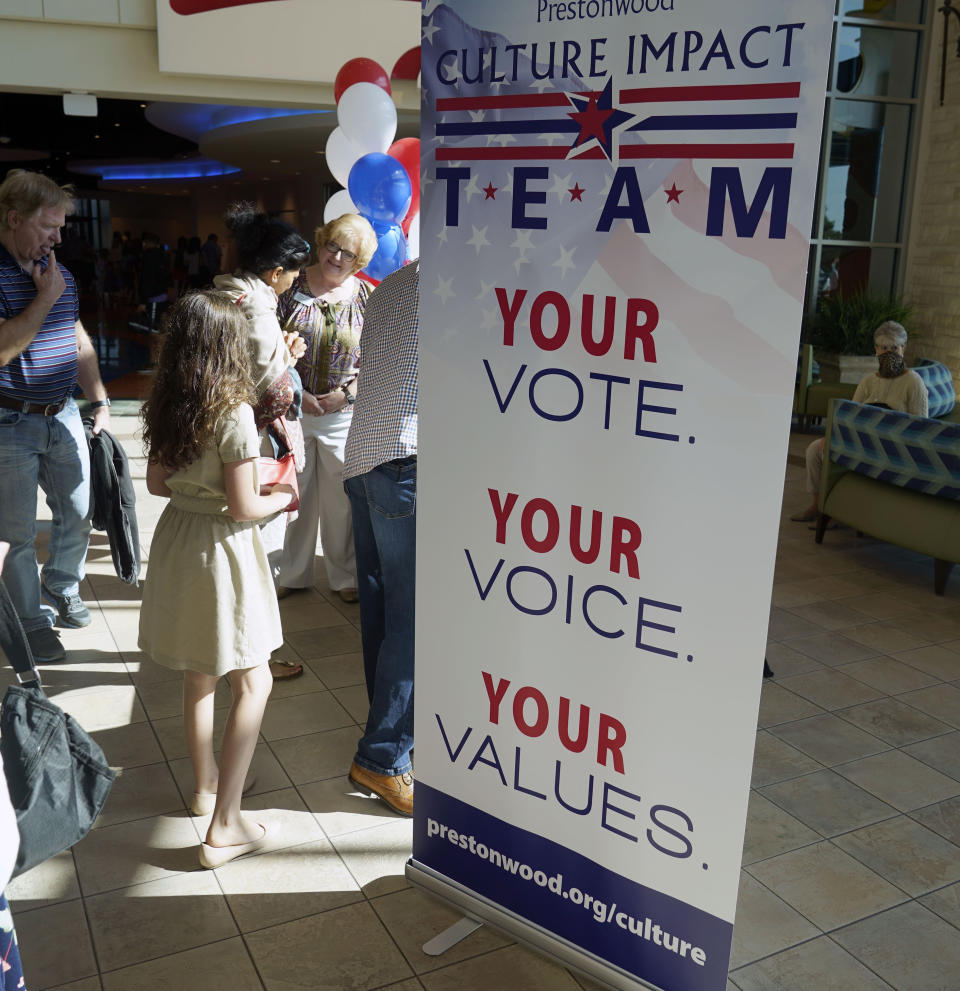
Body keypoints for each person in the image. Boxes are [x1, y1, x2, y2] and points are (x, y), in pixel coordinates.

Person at [138, 292, 296, 869]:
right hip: (221, 551)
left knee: (200, 674)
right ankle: (225, 826)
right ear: (230, 346)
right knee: (254, 682)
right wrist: (282, 495)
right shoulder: (232, 410)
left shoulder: (167, 401)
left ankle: (205, 786)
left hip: (179, 539)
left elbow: (157, 485)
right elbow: (242, 506)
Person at [0, 169, 111, 665]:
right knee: (17, 532)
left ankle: (61, 584)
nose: (58, 238)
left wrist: (99, 396)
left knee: (79, 510)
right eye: (49, 226)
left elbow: (75, 333)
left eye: (62, 227)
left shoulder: (54, 267)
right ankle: (30, 621)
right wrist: (45, 297)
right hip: (9, 421)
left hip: (62, 411)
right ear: (12, 218)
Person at [214, 202, 310, 680]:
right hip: (254, 447)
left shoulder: (218, 296)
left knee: (239, 553)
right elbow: (272, 395)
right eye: (293, 273)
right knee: (262, 557)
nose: (296, 281)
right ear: (275, 273)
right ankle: (255, 660)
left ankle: (241, 653)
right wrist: (289, 360)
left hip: (220, 441)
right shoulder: (257, 309)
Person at [343, 260, 419, 816]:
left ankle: (387, 733)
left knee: (383, 609)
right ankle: (384, 754)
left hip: (366, 450)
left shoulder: (396, 281)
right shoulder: (468, 285)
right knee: (414, 621)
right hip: (408, 460)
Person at [274, 213, 377, 604]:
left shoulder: (368, 297)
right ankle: (292, 572)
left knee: (341, 499)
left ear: (360, 261)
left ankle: (344, 575)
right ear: (320, 242)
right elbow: (266, 346)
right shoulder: (289, 284)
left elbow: (378, 357)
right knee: (293, 494)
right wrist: (298, 392)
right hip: (292, 411)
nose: (335, 256)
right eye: (331, 245)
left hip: (343, 413)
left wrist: (345, 395)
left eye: (347, 253)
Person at [792, 320, 928, 522]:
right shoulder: (868, 381)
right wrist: (831, 437)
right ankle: (818, 505)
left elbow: (922, 426)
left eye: (894, 347)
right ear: (876, 349)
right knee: (815, 449)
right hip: (861, 442)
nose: (888, 352)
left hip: (892, 448)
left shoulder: (913, 382)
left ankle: (838, 511)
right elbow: (849, 416)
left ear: (904, 349)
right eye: (883, 347)